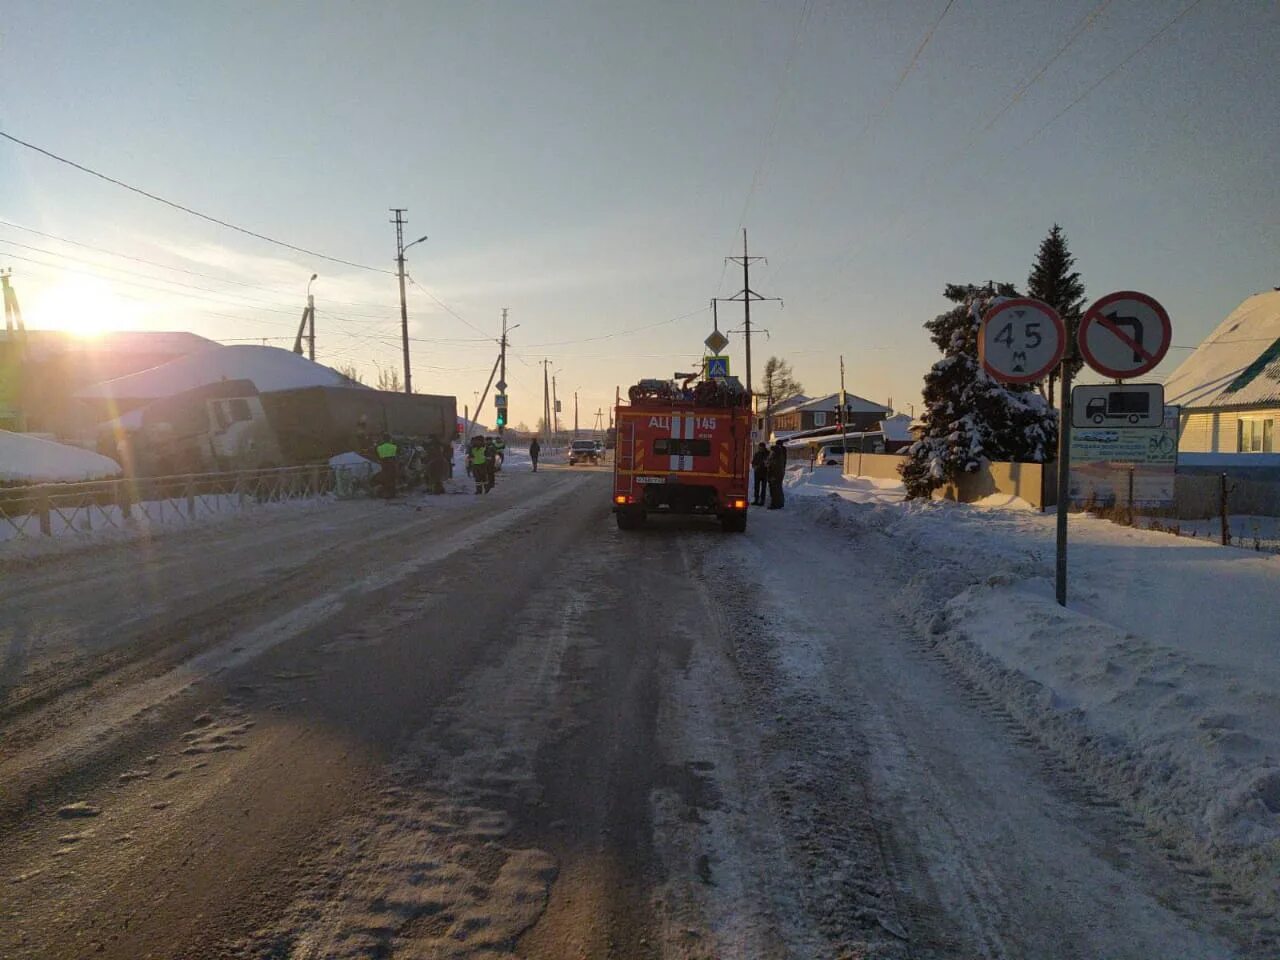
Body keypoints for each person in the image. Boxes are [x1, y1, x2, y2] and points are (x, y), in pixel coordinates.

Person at [376, 434, 399, 499]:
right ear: (389, 439)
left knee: (385, 479)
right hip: (391, 464)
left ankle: (385, 493)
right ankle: (392, 493)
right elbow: (396, 455)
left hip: (383, 464)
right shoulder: (394, 446)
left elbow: (378, 456)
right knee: (392, 478)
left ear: (383, 439)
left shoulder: (379, 447)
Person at [767, 439, 787, 510]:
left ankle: (775, 504)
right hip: (779, 473)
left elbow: (774, 465)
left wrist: (772, 475)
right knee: (778, 488)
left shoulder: (777, 454)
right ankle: (780, 503)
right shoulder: (782, 452)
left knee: (774, 490)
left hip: (775, 474)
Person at [751, 441, 770, 506]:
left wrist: (767, 464)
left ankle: (762, 500)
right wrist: (754, 466)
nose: (761, 448)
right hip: (757, 473)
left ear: (764, 447)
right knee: (756, 487)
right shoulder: (757, 454)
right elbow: (753, 462)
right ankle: (756, 500)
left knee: (763, 488)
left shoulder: (768, 454)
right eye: (760, 447)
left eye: (762, 447)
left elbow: (770, 463)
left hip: (765, 473)